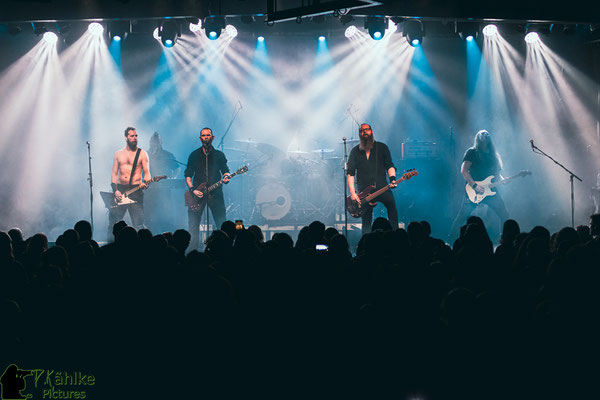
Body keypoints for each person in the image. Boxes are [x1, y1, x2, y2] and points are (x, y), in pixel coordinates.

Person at [450, 129, 509, 240]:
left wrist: (503, 180)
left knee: (504, 214)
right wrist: (474, 186)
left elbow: (496, 174)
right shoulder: (472, 152)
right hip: (474, 190)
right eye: (482, 133)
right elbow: (464, 170)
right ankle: (451, 240)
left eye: (486, 133)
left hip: (491, 191)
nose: (484, 135)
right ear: (477, 138)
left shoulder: (493, 155)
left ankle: (505, 240)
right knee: (462, 216)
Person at [347, 123, 398, 235]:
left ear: (372, 132)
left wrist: (393, 179)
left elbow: (389, 165)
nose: (364, 132)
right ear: (359, 134)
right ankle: (366, 242)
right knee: (366, 220)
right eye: (362, 130)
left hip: (382, 187)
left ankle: (396, 236)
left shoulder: (382, 147)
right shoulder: (355, 151)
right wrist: (353, 193)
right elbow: (350, 173)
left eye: (367, 129)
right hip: (364, 191)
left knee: (392, 208)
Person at [185, 127, 231, 250]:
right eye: (203, 136)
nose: (206, 137)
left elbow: (225, 171)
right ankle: (192, 252)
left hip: (215, 194)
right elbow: (188, 175)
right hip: (197, 195)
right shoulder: (194, 155)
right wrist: (193, 190)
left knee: (221, 223)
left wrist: (226, 177)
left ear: (212, 137)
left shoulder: (219, 155)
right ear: (200, 138)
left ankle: (223, 251)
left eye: (208, 135)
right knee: (193, 227)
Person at [108, 127, 150, 240]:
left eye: (136, 136)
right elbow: (114, 175)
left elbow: (147, 173)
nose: (135, 138)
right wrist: (115, 190)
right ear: (126, 138)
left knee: (139, 225)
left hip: (136, 191)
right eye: (132, 136)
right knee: (114, 223)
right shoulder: (118, 154)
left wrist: (146, 182)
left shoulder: (142, 154)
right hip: (120, 191)